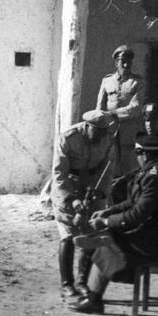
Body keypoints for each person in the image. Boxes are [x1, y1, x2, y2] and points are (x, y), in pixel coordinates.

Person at [70, 135, 158, 314]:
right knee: (108, 236)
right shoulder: (155, 172)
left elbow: (137, 215)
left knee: (108, 241)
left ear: (144, 155)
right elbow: (133, 202)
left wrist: (105, 222)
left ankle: (93, 298)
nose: (136, 156)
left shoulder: (155, 178)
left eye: (137, 152)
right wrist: (108, 212)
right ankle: (92, 292)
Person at [50, 109, 119, 302]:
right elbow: (59, 174)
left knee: (91, 232)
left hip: (91, 185)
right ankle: (66, 285)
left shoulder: (107, 139)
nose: (99, 137)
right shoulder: (68, 138)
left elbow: (108, 169)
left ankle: (81, 282)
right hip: (67, 187)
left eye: (103, 133)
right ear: (87, 126)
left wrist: (100, 193)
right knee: (68, 234)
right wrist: (72, 199)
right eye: (96, 132)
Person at [96, 44, 143, 172]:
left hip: (129, 131)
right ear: (116, 63)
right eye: (123, 62)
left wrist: (113, 113)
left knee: (129, 165)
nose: (126, 65)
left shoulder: (137, 82)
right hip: (109, 129)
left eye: (129, 62)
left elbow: (136, 107)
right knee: (108, 163)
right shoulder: (107, 81)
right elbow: (99, 108)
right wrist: (100, 126)